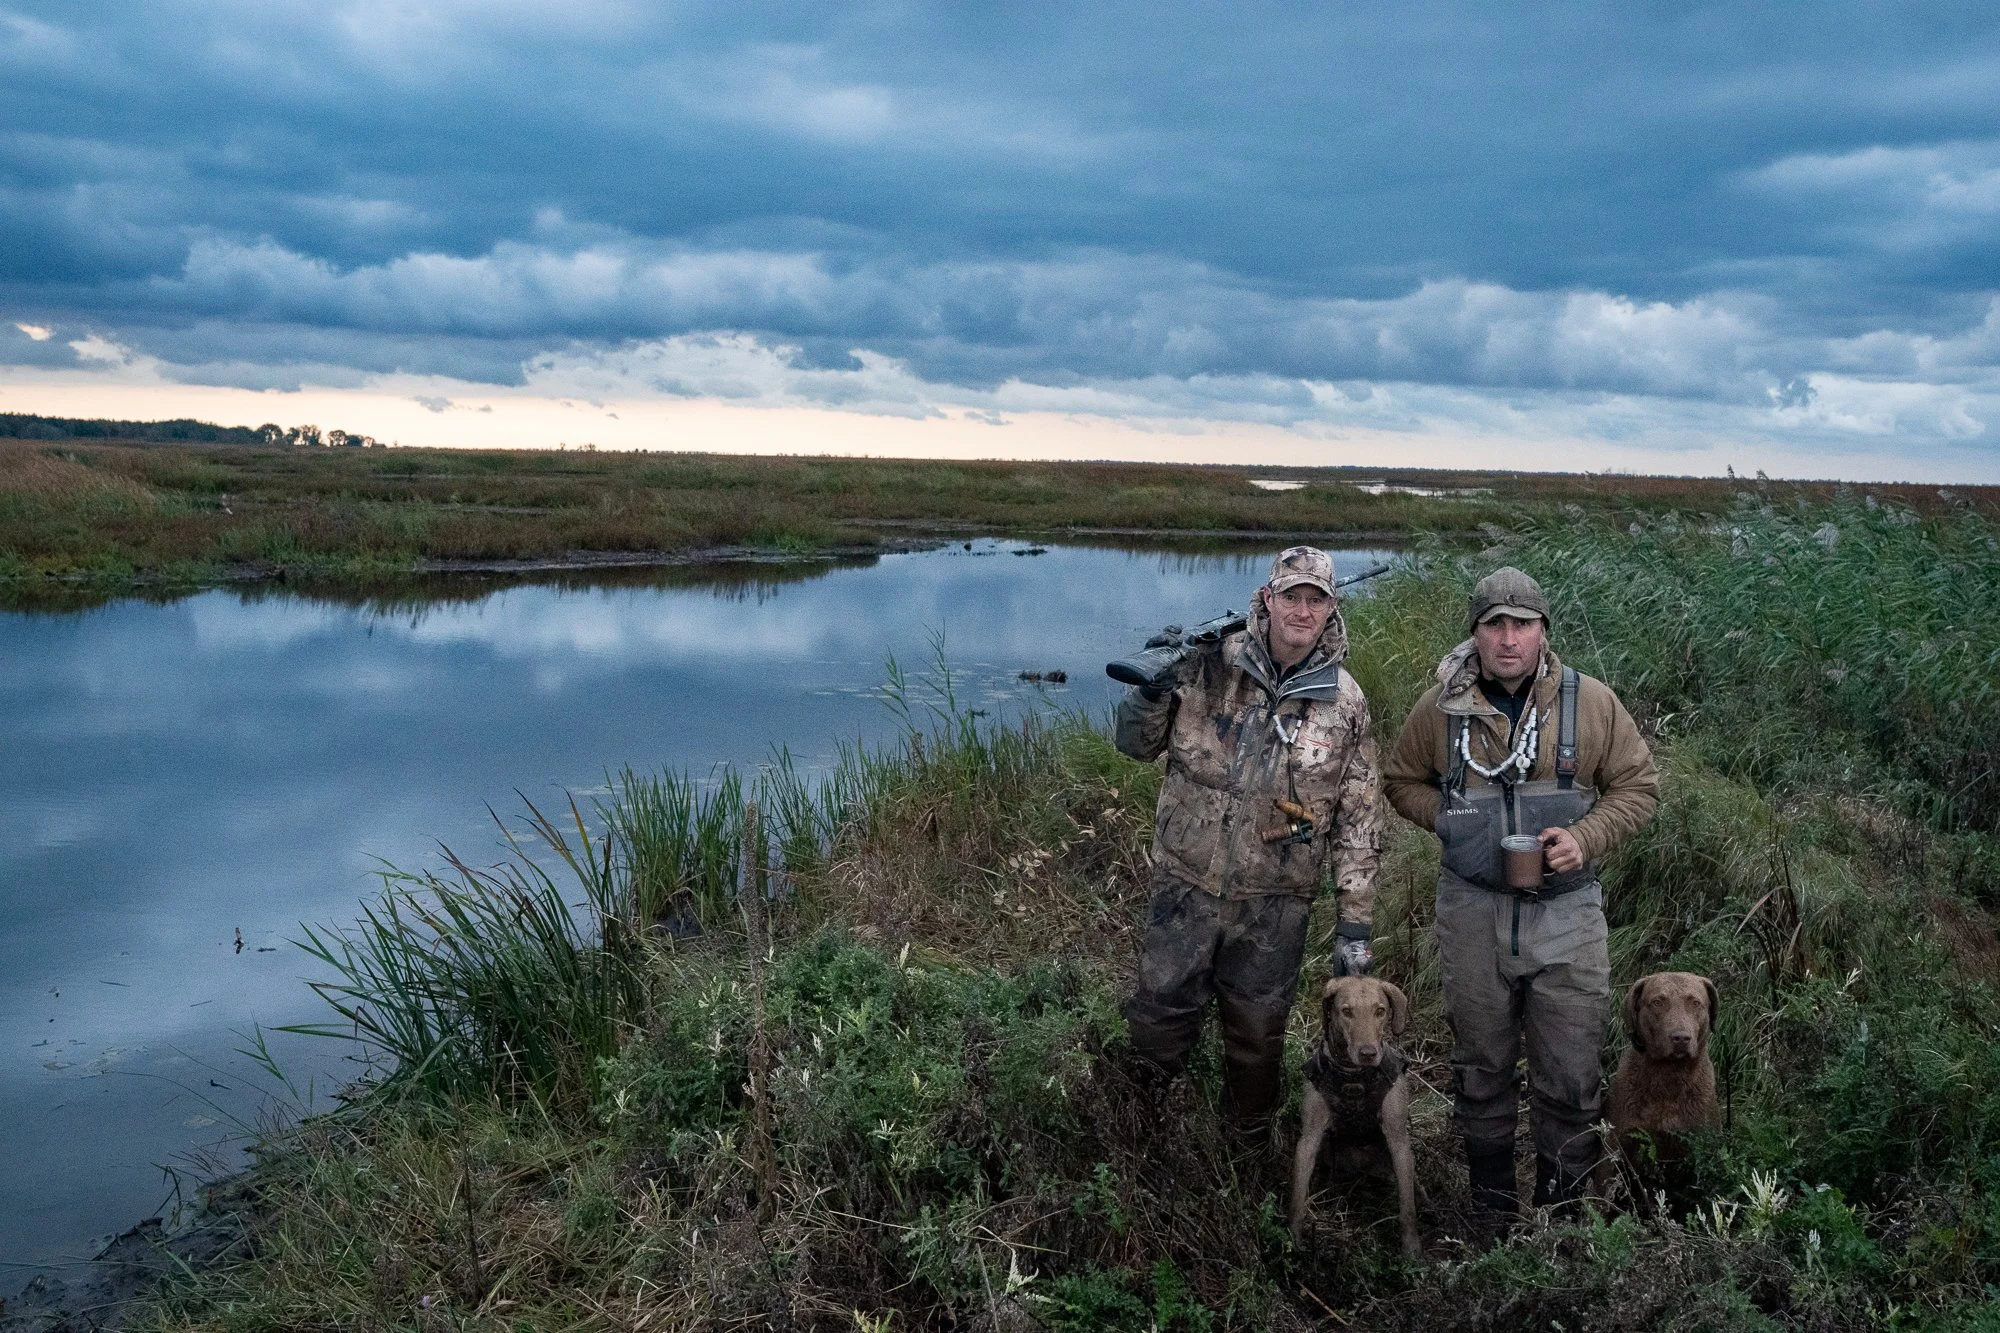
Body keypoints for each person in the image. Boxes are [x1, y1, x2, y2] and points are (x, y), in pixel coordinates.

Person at [1382, 567, 1659, 1217]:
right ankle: (1494, 1213)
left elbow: (1638, 788)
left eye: (1522, 624)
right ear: (1475, 634)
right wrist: (1451, 820)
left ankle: (1563, 1216)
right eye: (1494, 624)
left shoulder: (1590, 703)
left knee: (1569, 1074)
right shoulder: (1438, 709)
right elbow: (1400, 779)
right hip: (1472, 912)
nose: (1509, 638)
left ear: (1543, 632)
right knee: (1482, 1069)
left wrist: (1586, 837)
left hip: (1568, 914)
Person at [1115, 546, 1383, 1141]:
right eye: (1292, 595)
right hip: (1184, 886)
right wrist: (1150, 692)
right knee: (1158, 1020)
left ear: (1331, 611)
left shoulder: (1346, 702)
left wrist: (1355, 925)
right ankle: (1135, 1143)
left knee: (1257, 1036)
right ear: (1268, 598)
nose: (1302, 610)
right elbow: (1134, 745)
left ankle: (1244, 1151)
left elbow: (1359, 819)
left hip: (1275, 905)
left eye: (1316, 600)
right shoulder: (1209, 663)